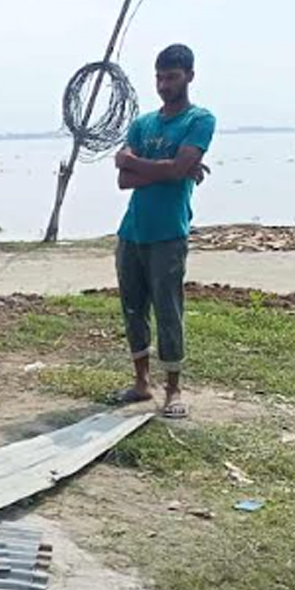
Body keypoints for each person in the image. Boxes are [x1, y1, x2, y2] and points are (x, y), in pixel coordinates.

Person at [112, 43, 216, 419]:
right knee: (132, 307)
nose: (163, 85)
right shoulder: (143, 123)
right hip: (132, 231)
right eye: (158, 77)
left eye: (171, 77)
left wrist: (142, 163)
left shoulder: (199, 120)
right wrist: (168, 166)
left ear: (189, 75)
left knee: (168, 309)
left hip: (169, 232)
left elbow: (173, 169)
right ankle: (141, 383)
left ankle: (173, 389)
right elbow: (124, 180)